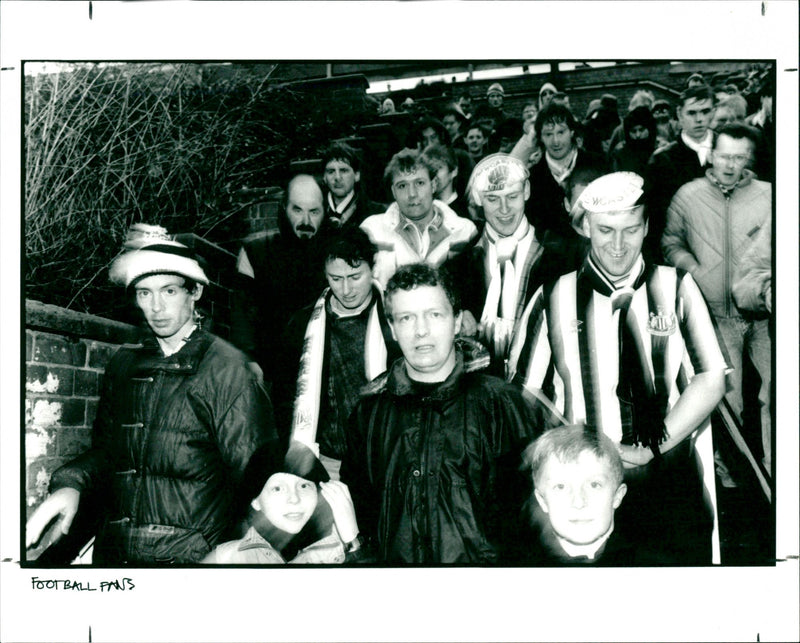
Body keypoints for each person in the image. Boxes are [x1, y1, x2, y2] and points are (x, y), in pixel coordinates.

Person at [508, 172, 728, 564]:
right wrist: (577, 454)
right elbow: (525, 395)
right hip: (584, 486)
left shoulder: (677, 286)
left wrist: (651, 449)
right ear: (585, 227)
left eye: (630, 230)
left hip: (668, 471)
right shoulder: (552, 296)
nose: (617, 244)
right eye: (605, 230)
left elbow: (710, 377)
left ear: (646, 228)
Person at [26, 225, 279, 564]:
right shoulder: (124, 364)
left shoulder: (229, 371)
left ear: (196, 292)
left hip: (192, 562)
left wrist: (227, 559)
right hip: (119, 558)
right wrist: (71, 485)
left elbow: (258, 484)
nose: (157, 307)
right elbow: (111, 454)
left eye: (169, 291)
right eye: (144, 293)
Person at [340, 263, 557, 563]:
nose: (421, 330)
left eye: (434, 314)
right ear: (391, 328)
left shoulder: (504, 406)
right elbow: (363, 516)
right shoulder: (369, 415)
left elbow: (535, 517)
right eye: (406, 318)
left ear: (456, 321)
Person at [662, 123, 772, 474]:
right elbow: (669, 242)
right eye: (724, 155)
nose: (729, 164)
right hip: (715, 316)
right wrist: (694, 270)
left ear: (748, 159)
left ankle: (777, 472)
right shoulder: (687, 195)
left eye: (739, 157)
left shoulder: (770, 195)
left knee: (778, 395)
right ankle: (728, 477)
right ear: (710, 153)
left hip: (765, 316)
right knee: (726, 398)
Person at [272, 227, 400, 479]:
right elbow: (283, 392)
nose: (346, 289)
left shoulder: (396, 319)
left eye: (355, 276)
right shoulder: (302, 324)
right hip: (322, 461)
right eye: (336, 278)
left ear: (372, 268)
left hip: (385, 458)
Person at [448, 154, 578, 375]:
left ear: (526, 191)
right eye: (492, 199)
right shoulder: (458, 264)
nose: (504, 208)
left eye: (512, 196)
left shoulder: (562, 255)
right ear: (478, 199)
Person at [511, 424, 673, 566]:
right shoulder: (517, 566)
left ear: (617, 496)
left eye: (594, 485)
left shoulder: (656, 564)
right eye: (560, 487)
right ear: (542, 501)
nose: (579, 502)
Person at [231, 173, 330, 384]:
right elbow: (242, 313)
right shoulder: (256, 252)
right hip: (269, 373)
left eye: (314, 211)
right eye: (297, 210)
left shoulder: (337, 254)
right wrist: (248, 359)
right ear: (283, 208)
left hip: (326, 370)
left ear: (325, 212)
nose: (305, 221)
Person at [202, 441, 365, 564]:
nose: (294, 498)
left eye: (304, 485)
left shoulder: (341, 548)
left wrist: (353, 541)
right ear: (255, 501)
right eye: (278, 489)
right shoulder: (229, 557)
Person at [360, 148, 476, 286]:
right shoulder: (372, 230)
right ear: (393, 192)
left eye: (419, 183)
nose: (412, 194)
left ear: (433, 185)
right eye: (402, 186)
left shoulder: (465, 231)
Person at [511, 101, 608, 252]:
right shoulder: (533, 178)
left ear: (572, 132)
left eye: (561, 132)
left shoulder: (598, 164)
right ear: (540, 137)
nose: (556, 141)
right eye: (548, 134)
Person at [644, 85, 717, 263]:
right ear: (679, 113)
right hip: (682, 252)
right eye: (692, 113)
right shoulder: (661, 161)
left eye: (705, 111)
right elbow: (656, 220)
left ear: (713, 112)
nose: (699, 119)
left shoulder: (728, 148)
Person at [320, 142, 385, 229]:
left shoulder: (378, 214)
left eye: (343, 170)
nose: (337, 177)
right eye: (331, 171)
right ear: (324, 177)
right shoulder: (313, 213)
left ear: (357, 175)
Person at [422, 143, 470, 220]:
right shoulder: (424, 209)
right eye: (430, 169)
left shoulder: (462, 214)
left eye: (438, 168)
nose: (433, 174)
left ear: (454, 171)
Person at [610, 105, 658, 176]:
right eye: (633, 131)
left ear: (650, 129)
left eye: (641, 130)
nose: (638, 135)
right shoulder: (621, 152)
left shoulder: (659, 149)